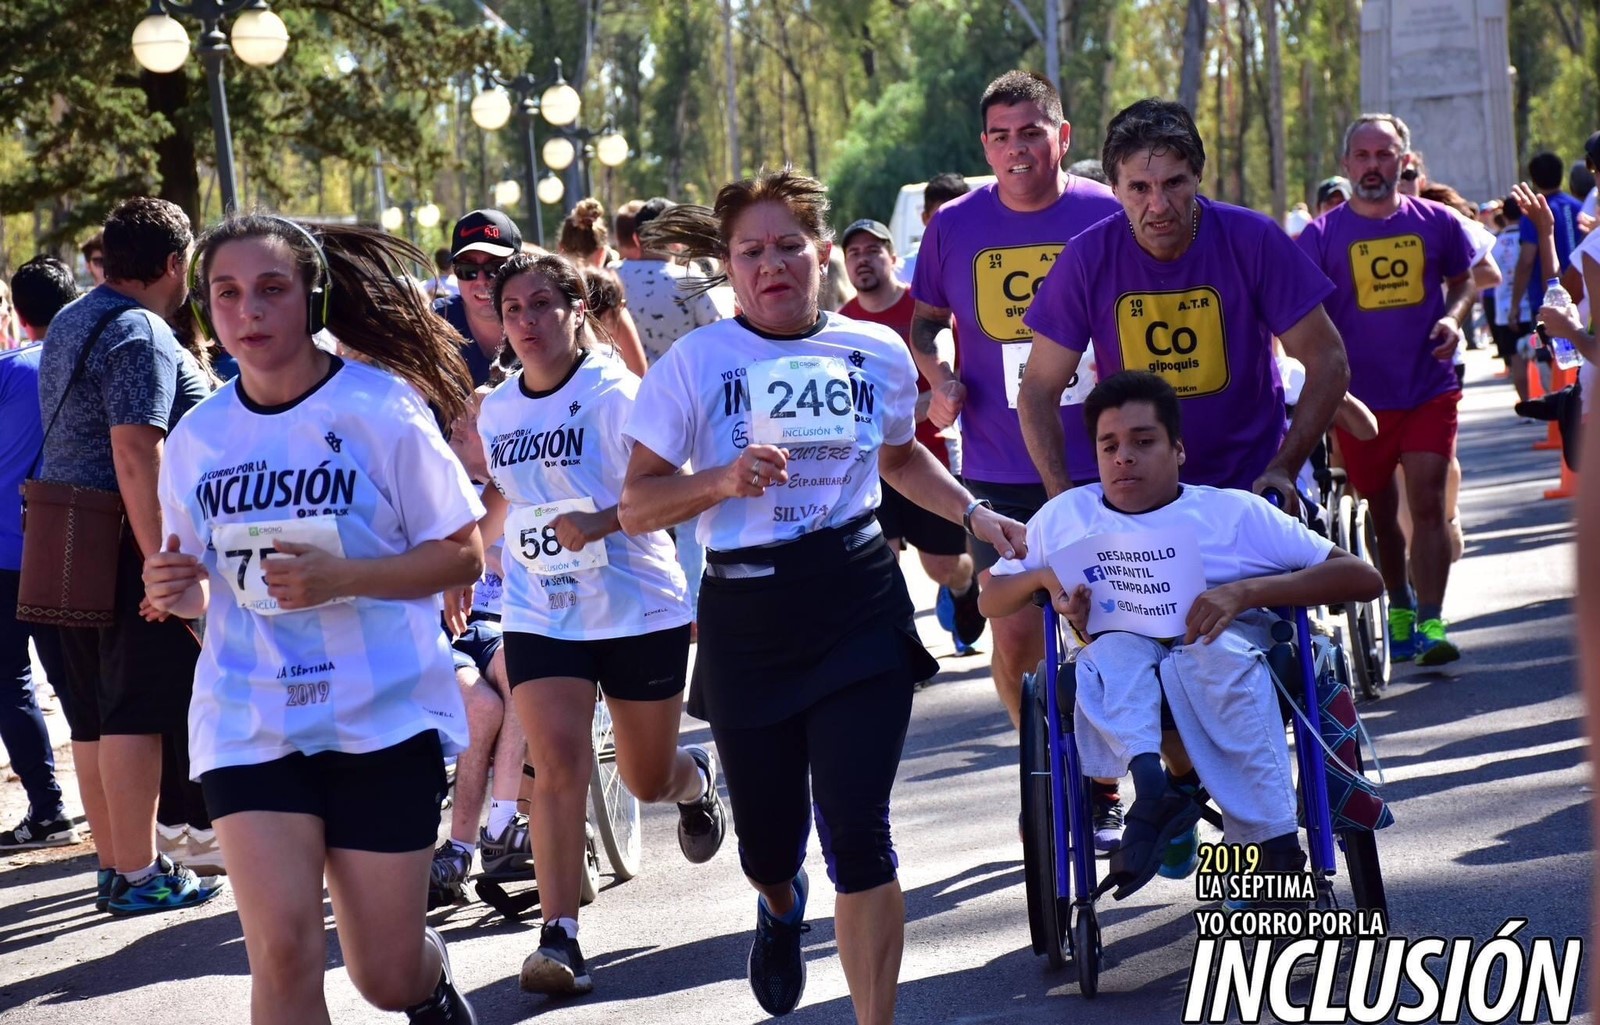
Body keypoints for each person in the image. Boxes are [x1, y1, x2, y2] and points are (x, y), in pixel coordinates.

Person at [619, 169, 1026, 1024]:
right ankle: (777, 903)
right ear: (728, 267)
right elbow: (638, 502)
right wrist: (720, 480)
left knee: (860, 834)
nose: (772, 265)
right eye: (751, 251)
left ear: (821, 254)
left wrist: (976, 511)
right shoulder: (696, 363)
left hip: (854, 596)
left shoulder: (870, 351)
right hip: (748, 615)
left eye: (788, 246)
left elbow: (901, 458)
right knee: (771, 846)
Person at [143, 214, 483, 1024]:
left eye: (271, 289)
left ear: (312, 297)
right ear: (206, 307)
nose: (248, 311)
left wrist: (346, 576)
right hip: (249, 720)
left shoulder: (382, 409)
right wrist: (172, 585)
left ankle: (427, 987)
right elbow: (201, 594)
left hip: (381, 718)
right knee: (285, 954)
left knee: (385, 974)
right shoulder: (198, 439)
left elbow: (464, 557)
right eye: (226, 293)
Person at [979, 371, 1383, 897]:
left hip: (1225, 650)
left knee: (1206, 655)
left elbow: (1362, 578)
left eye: (1143, 442)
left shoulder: (1231, 513)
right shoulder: (1067, 516)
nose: (1124, 457)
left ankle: (1275, 847)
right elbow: (992, 599)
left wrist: (1246, 594)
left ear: (1178, 450)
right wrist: (1044, 578)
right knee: (1116, 652)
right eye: (1109, 445)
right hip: (1123, 661)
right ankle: (1153, 789)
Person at [472, 250, 725, 995]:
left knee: (647, 777)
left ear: (577, 308)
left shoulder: (617, 394)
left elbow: (679, 491)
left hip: (636, 605)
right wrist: (463, 555)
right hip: (540, 609)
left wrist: (605, 519)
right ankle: (560, 936)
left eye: (542, 304)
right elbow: (506, 502)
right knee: (557, 764)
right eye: (512, 308)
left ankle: (695, 781)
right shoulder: (499, 408)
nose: (526, 321)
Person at [907, 74, 1122, 851]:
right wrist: (939, 377)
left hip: (1106, 462)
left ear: (1062, 136)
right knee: (1017, 643)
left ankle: (1100, 780)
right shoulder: (956, 225)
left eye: (1030, 132)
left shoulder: (1107, 211)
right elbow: (924, 323)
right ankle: (1045, 761)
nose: (1015, 149)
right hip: (999, 465)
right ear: (984, 147)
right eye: (999, 136)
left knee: (1109, 629)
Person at [1023, 97, 1348, 508]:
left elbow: (1330, 361)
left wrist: (1284, 466)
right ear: (1115, 189)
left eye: (1173, 183)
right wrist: (1060, 496)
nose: (1158, 205)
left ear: (1197, 175)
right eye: (1139, 188)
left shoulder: (1254, 240)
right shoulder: (1086, 258)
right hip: (1140, 499)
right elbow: (1037, 389)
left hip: (1250, 490)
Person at [36, 197, 220, 915]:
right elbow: (137, 450)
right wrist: (161, 561)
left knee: (97, 713)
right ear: (174, 263)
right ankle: (142, 873)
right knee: (135, 711)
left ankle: (118, 865)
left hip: (67, 534)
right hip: (121, 540)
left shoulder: (75, 317)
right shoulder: (141, 330)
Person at [1296, 112, 1477, 666]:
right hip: (1360, 401)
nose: (1374, 166)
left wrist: (1454, 317)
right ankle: (1397, 600)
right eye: (1364, 156)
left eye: (1385, 155)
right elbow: (1299, 314)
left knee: (1427, 502)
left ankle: (1431, 619)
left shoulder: (1437, 222)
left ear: (1405, 161)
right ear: (1346, 164)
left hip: (1428, 385)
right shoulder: (1320, 237)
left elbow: (1465, 279)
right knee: (1379, 509)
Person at [838, 218, 983, 655]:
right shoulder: (842, 324)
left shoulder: (925, 311)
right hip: (872, 466)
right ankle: (902, 652)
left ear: (893, 258)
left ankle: (964, 587)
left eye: (872, 250)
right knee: (883, 559)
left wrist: (921, 406)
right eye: (854, 253)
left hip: (929, 456)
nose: (863, 259)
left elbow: (959, 374)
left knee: (943, 566)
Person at [0, 257, 80, 851]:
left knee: (11, 681)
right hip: (73, 547)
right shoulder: (85, 360)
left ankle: (49, 809)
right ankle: (127, 812)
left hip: (4, 554)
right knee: (78, 680)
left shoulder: (10, 371)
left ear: (19, 314)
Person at [434, 208, 525, 387]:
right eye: (468, 270)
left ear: (521, 266)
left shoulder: (544, 318)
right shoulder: (434, 325)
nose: (482, 280)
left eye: (495, 268)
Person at [1510, 151, 1586, 360]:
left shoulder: (1535, 213)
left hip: (1548, 302)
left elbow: (1526, 260)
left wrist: (1514, 305)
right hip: (1584, 298)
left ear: (1533, 179)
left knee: (1556, 367)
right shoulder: (1579, 207)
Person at [896, 172, 971, 286]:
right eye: (943, 218)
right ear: (925, 218)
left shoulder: (985, 264)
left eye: (959, 217)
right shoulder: (903, 272)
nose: (951, 226)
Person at [578, 264, 650, 377]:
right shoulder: (608, 359)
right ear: (607, 316)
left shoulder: (563, 353)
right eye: (621, 305)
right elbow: (640, 373)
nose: (623, 310)